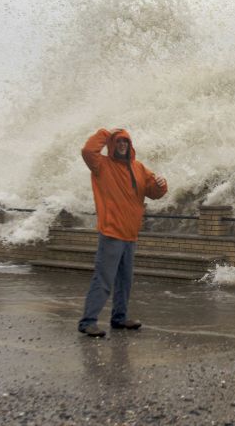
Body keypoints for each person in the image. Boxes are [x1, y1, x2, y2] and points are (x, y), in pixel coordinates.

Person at [78, 128, 168, 337]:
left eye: (125, 142)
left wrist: (161, 185)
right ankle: (88, 321)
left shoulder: (139, 168)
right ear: (112, 144)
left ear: (130, 146)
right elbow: (87, 151)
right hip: (111, 232)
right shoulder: (101, 165)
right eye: (118, 141)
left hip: (130, 235)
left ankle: (119, 318)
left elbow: (153, 193)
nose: (122, 145)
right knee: (103, 279)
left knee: (124, 281)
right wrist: (106, 133)